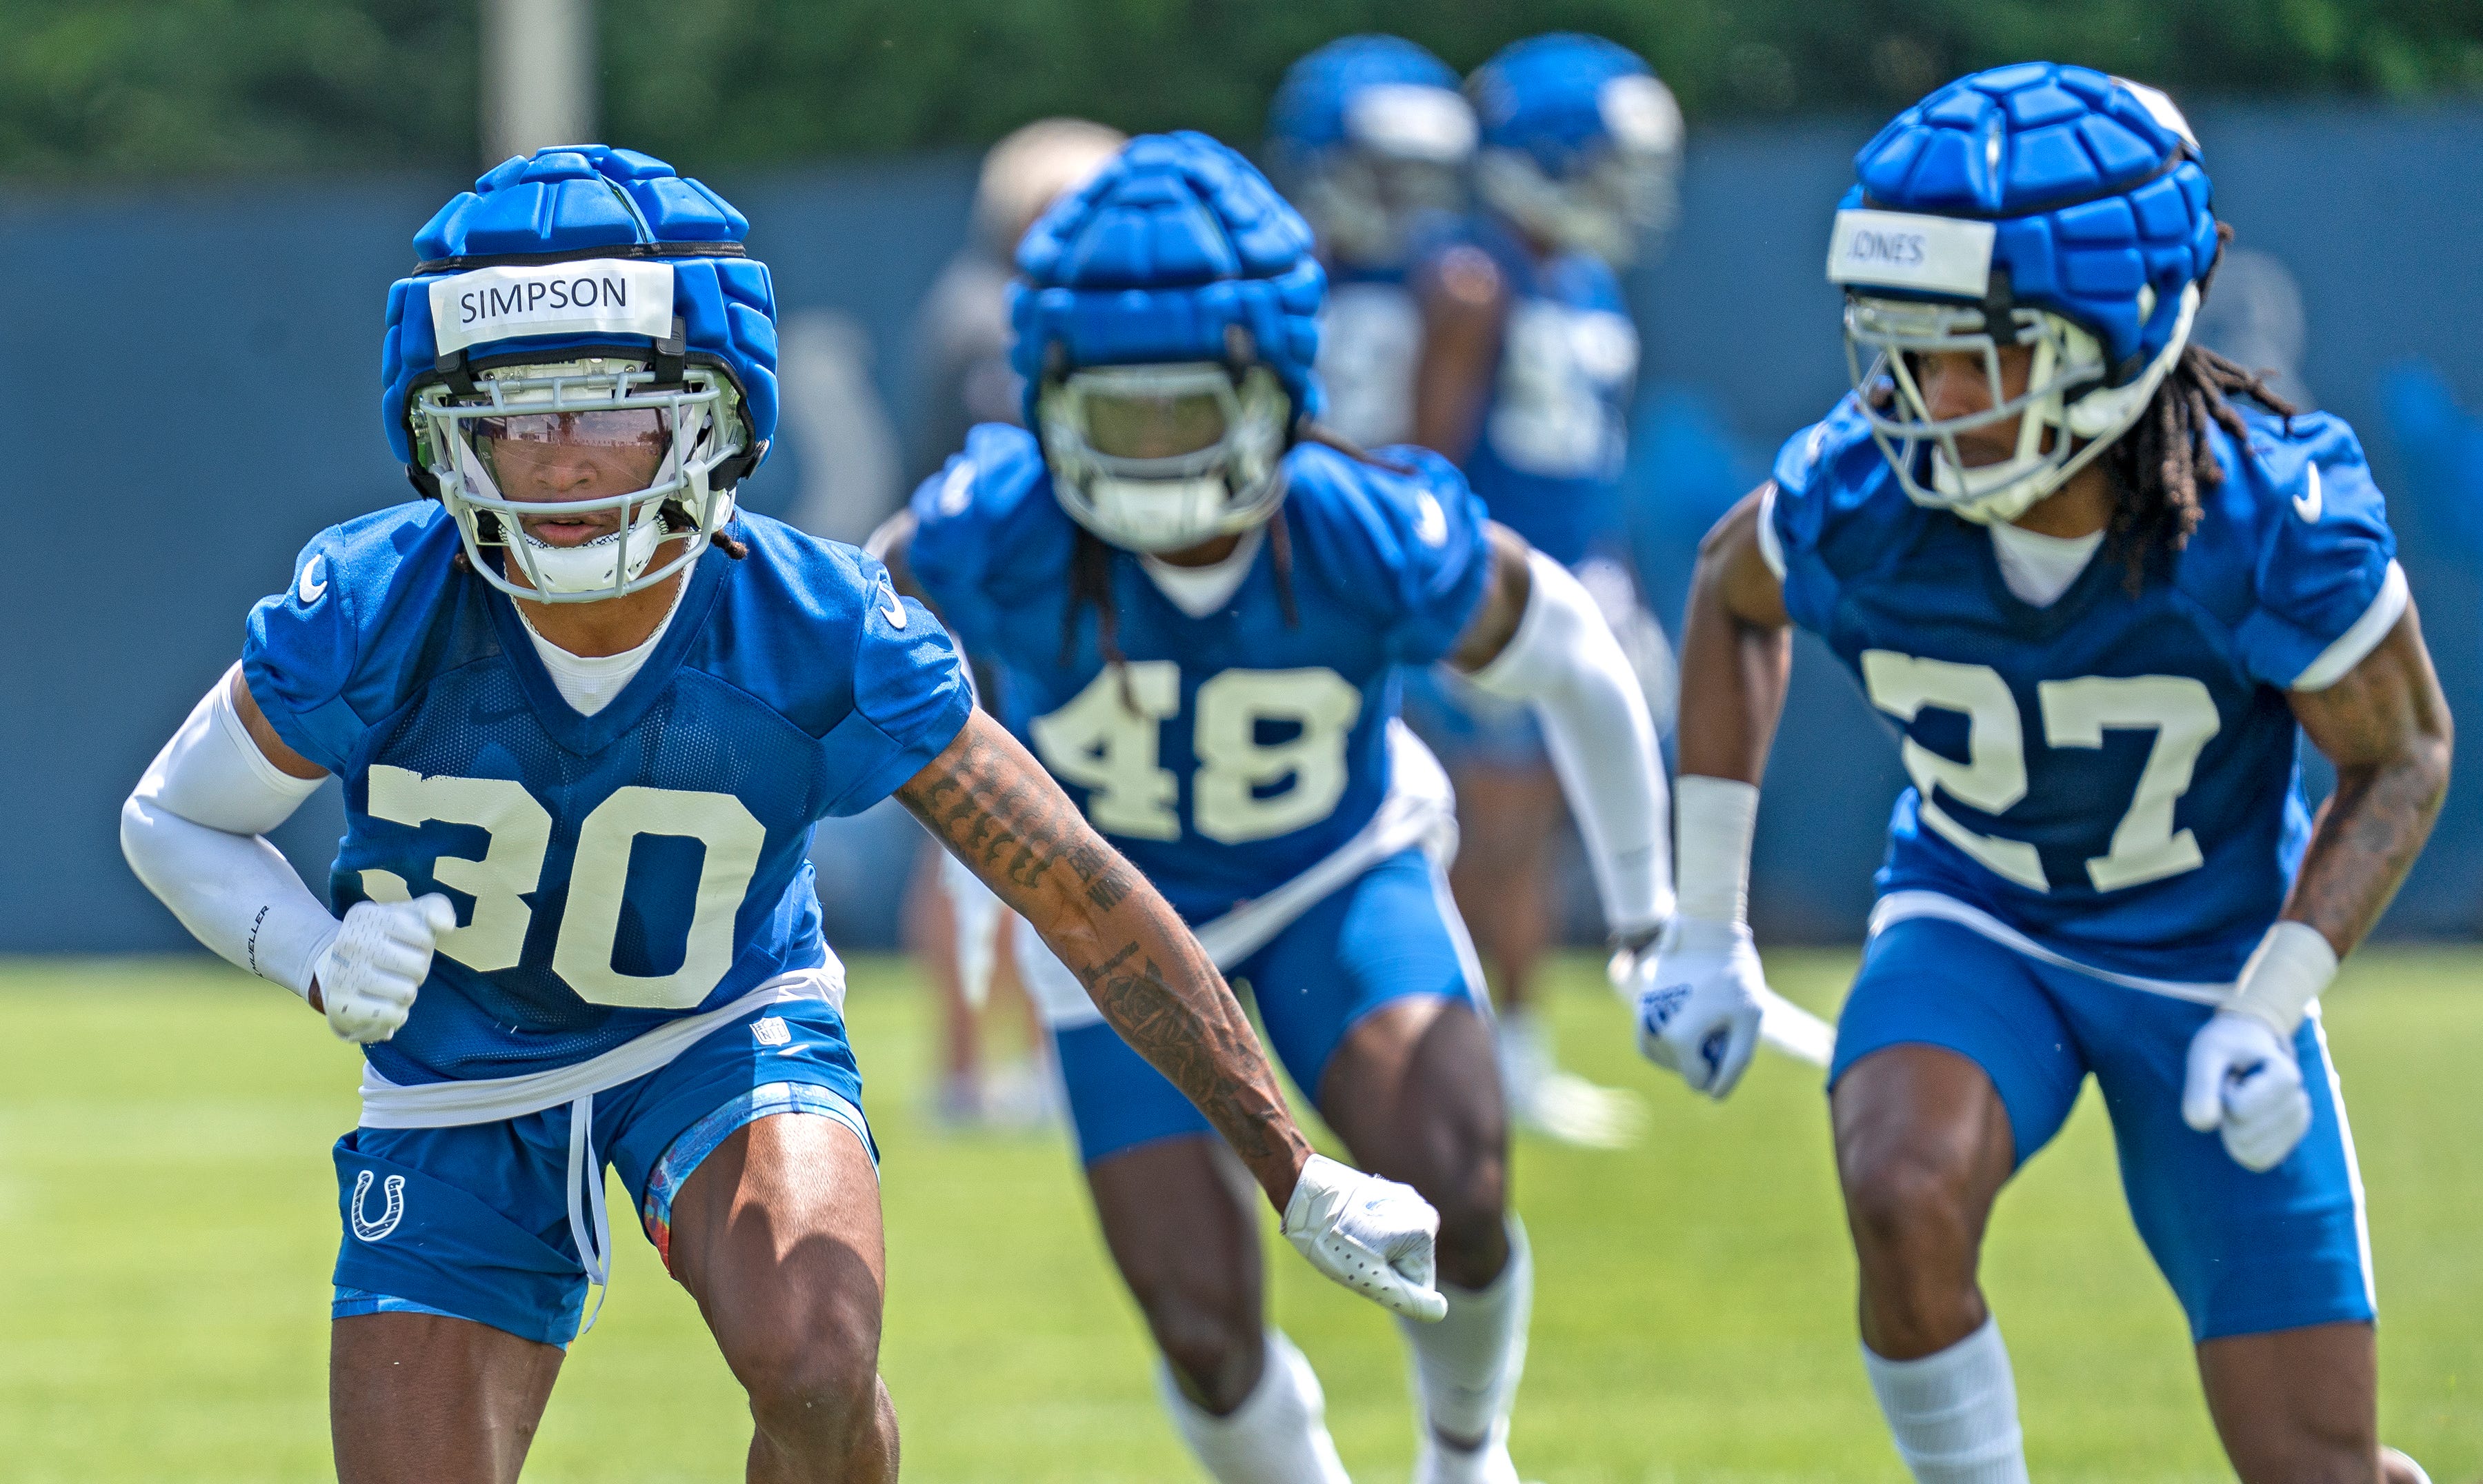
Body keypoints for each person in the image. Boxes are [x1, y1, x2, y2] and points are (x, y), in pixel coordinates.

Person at [116, 143, 1446, 1484]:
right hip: (457, 1068)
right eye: (519, 417)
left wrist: (1294, 1166)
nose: (566, 464)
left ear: (715, 415)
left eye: (615, 414)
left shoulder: (821, 628)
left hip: (723, 1025)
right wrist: (312, 950)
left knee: (814, 1357)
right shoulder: (370, 603)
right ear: (441, 428)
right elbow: (171, 818)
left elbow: (1076, 888)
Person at [1644, 66, 2450, 1483]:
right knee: (1899, 1185)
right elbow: (1730, 591)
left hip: (2206, 956)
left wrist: (2275, 998)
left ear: (2117, 330)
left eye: (1984, 352)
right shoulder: (1862, 492)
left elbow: (2404, 753)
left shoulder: (2265, 518)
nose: (1930, 397)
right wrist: (1704, 922)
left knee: (2318, 1463)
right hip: (1981, 913)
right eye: (1905, 347)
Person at [899, 132, 1682, 1484]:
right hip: (1111, 917)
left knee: (1460, 1181)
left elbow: (1572, 654)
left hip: (1336, 866)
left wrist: (1654, 908)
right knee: (1200, 1318)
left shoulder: (1358, 523)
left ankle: (1465, 1449)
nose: (1153, 458)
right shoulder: (994, 526)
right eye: (1119, 414)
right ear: (1043, 393)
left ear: (1278, 390)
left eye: (1189, 412)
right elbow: (821, 662)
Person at [1401, 33, 1685, 1146]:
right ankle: (1469, 1057)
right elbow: (1435, 449)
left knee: (1539, 832)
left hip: (1581, 573)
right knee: (1490, 830)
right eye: (1607, 162)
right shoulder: (1472, 275)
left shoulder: (1586, 273)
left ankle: (1514, 1050)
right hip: (1497, 588)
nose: (1628, 190)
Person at [899, 116, 1128, 1130]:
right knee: (974, 842)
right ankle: (969, 1070)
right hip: (987, 606)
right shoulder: (991, 317)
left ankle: (1023, 1061)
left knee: (1026, 839)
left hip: (1004, 602)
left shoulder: (990, 304)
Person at [1266, 34, 1477, 452]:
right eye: (1388, 174)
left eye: (1425, 176)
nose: (1412, 199)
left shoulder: (1450, 284)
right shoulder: (1272, 275)